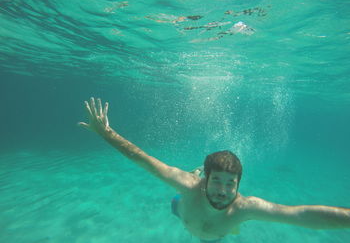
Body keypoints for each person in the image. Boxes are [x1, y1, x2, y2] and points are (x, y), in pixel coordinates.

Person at [78, 97, 350, 242]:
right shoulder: (187, 185)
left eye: (230, 184)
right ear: (207, 180)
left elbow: (301, 215)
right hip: (181, 207)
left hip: (213, 237)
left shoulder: (245, 208)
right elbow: (143, 159)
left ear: (239, 186)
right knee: (179, 198)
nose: (223, 191)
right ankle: (196, 172)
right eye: (217, 181)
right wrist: (107, 134)